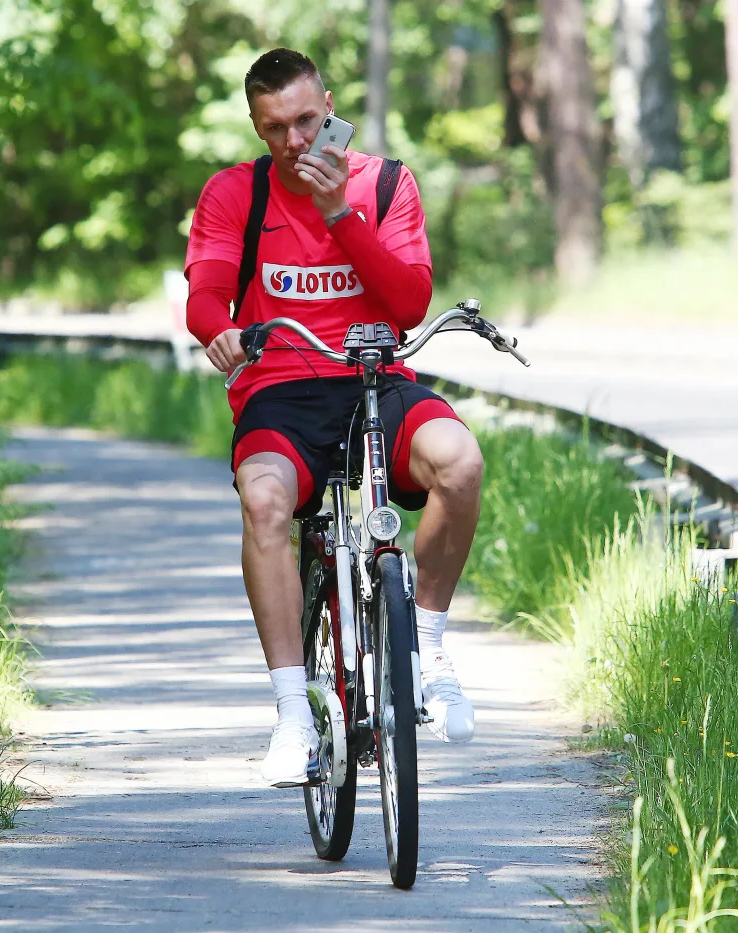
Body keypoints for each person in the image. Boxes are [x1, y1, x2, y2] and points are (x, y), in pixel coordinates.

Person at [185, 49, 484, 787]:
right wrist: (214, 329)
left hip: (378, 377)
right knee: (263, 501)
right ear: (256, 128)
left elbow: (410, 301)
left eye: (306, 121)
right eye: (274, 128)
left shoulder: (385, 184)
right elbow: (206, 292)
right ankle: (293, 712)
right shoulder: (233, 195)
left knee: (460, 459)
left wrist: (337, 214)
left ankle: (430, 648)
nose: (293, 142)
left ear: (330, 105)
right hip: (281, 387)